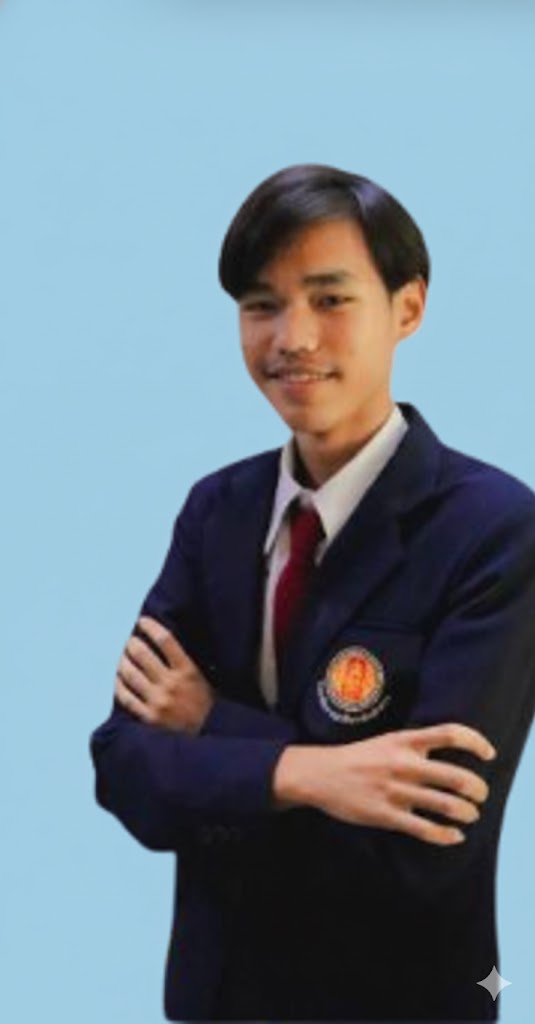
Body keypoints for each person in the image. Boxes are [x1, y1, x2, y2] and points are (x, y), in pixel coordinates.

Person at [89, 164, 535, 1022]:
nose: (291, 337)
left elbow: (425, 848)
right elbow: (125, 771)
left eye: (330, 299)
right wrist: (315, 771)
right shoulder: (217, 510)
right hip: (217, 998)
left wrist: (213, 729)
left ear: (407, 307)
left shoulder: (493, 530)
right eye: (261, 305)